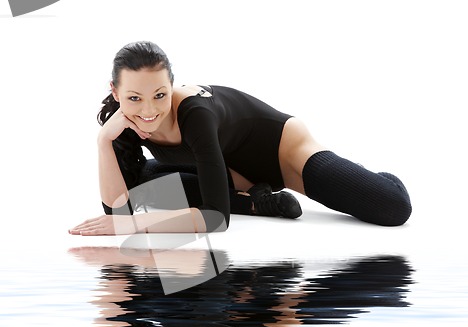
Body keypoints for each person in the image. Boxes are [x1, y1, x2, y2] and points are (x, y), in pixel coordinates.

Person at [69, 41, 412, 236]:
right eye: (134, 98)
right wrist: (103, 141)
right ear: (115, 92)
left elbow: (216, 220)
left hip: (281, 153)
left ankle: (363, 175)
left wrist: (131, 226)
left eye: (160, 95)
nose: (148, 109)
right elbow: (117, 207)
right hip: (226, 168)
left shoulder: (195, 114)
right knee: (148, 184)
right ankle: (255, 201)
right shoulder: (122, 124)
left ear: (171, 85)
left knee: (393, 208)